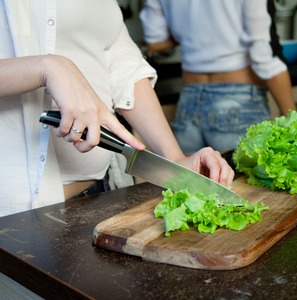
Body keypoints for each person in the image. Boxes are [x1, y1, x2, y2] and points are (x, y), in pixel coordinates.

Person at [0, 0, 234, 217]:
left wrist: (175, 158)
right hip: (21, 215)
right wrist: (48, 67)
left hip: (100, 193)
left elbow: (122, 63)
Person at [139, 0, 297, 154]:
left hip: (189, 102)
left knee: (188, 180)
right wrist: (293, 121)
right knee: (241, 181)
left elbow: (155, 41)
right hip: (238, 104)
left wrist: (192, 33)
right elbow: (263, 55)